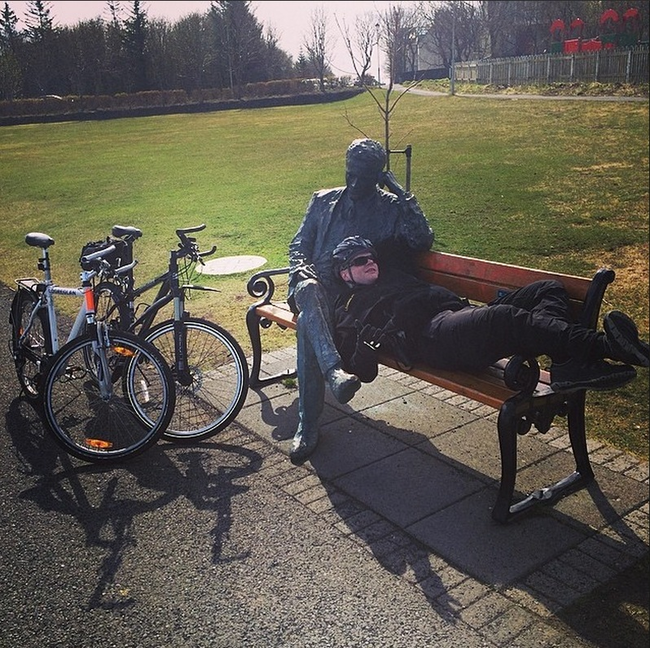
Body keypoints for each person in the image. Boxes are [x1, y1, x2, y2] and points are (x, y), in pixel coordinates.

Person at [330, 235, 648, 392]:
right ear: (345, 274)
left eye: (370, 257)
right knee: (502, 318)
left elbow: (413, 230)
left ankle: (568, 366)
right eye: (359, 261)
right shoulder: (348, 307)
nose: (370, 262)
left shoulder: (391, 273)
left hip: (458, 316)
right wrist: (365, 342)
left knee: (547, 288)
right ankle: (606, 346)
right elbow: (362, 370)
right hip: (433, 337)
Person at [287, 138, 434, 463]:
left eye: (363, 177)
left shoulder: (390, 207)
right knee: (310, 292)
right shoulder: (322, 200)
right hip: (309, 284)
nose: (354, 183)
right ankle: (335, 375)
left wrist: (400, 192)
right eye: (350, 173)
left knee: (308, 327)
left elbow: (422, 240)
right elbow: (298, 244)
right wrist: (301, 269)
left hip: (350, 299)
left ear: (378, 175)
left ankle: (307, 425)